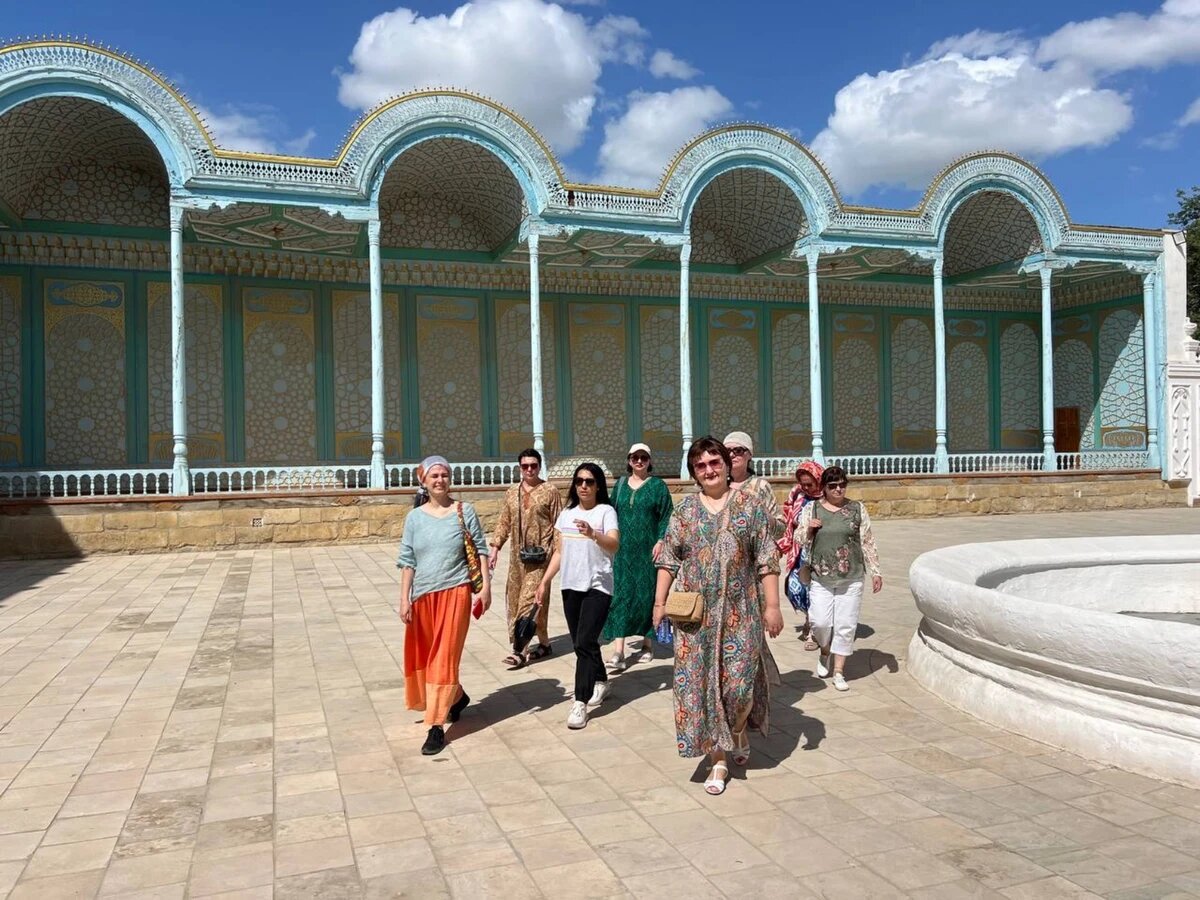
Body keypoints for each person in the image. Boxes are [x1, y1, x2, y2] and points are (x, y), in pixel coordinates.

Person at [654, 437, 783, 796]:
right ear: (694, 472)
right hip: (696, 621)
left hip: (742, 614)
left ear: (727, 465)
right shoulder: (685, 511)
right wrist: (659, 602)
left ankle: (737, 729)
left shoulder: (750, 506)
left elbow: (767, 558)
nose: (709, 470)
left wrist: (772, 606)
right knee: (700, 688)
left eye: (714, 462)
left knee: (738, 689)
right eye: (700, 465)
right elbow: (668, 558)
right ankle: (718, 759)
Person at [397, 456, 491, 755]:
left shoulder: (464, 511)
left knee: (443, 659)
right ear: (423, 481)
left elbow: (480, 549)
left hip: (456, 593)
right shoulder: (414, 518)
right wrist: (404, 598)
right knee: (426, 657)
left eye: (444, 475)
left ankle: (436, 725)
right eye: (434, 476)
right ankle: (457, 697)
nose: (440, 480)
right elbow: (407, 560)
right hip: (423, 597)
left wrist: (485, 588)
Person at [536, 463, 620, 730]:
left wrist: (593, 534)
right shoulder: (566, 515)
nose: (584, 486)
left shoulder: (606, 512)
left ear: (598, 486)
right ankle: (601, 680)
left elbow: (614, 544)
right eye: (580, 481)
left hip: (598, 586)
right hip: (570, 585)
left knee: (584, 641)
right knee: (583, 642)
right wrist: (544, 582)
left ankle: (580, 701)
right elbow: (559, 552)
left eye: (590, 481)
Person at [797, 466, 883, 692]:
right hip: (820, 575)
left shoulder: (857, 509)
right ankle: (825, 650)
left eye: (842, 485)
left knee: (846, 625)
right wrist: (809, 529)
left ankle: (838, 671)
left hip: (851, 575)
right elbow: (798, 537)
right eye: (833, 486)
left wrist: (875, 571)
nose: (838, 489)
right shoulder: (812, 509)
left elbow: (867, 540)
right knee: (820, 622)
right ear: (824, 488)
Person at [489, 448, 563, 668]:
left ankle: (519, 650)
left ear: (539, 466)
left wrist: (559, 553)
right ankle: (545, 644)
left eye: (533, 465)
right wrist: (495, 548)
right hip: (517, 557)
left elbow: (559, 523)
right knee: (519, 600)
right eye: (525, 466)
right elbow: (504, 521)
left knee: (528, 601)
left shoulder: (550, 491)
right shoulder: (512, 492)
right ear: (520, 468)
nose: (529, 470)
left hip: (541, 557)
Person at [603, 443, 674, 672]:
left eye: (644, 457)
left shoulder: (657, 486)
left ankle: (647, 644)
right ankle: (618, 651)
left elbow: (666, 516)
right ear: (629, 460)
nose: (639, 461)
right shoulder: (621, 485)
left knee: (647, 596)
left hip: (648, 551)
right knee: (621, 597)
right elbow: (611, 513)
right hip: (623, 551)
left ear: (649, 461)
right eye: (635, 457)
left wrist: (661, 540)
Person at [777, 461, 825, 649]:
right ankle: (809, 617)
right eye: (803, 484)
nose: (806, 488)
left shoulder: (827, 499)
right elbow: (789, 517)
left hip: (820, 553)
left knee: (816, 591)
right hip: (800, 552)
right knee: (795, 589)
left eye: (809, 484)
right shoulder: (797, 495)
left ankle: (814, 631)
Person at [723, 431, 784, 539]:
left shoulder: (760, 486)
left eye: (738, 450)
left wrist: (765, 517)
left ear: (750, 455)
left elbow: (781, 530)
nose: (731, 455)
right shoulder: (718, 485)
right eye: (727, 451)